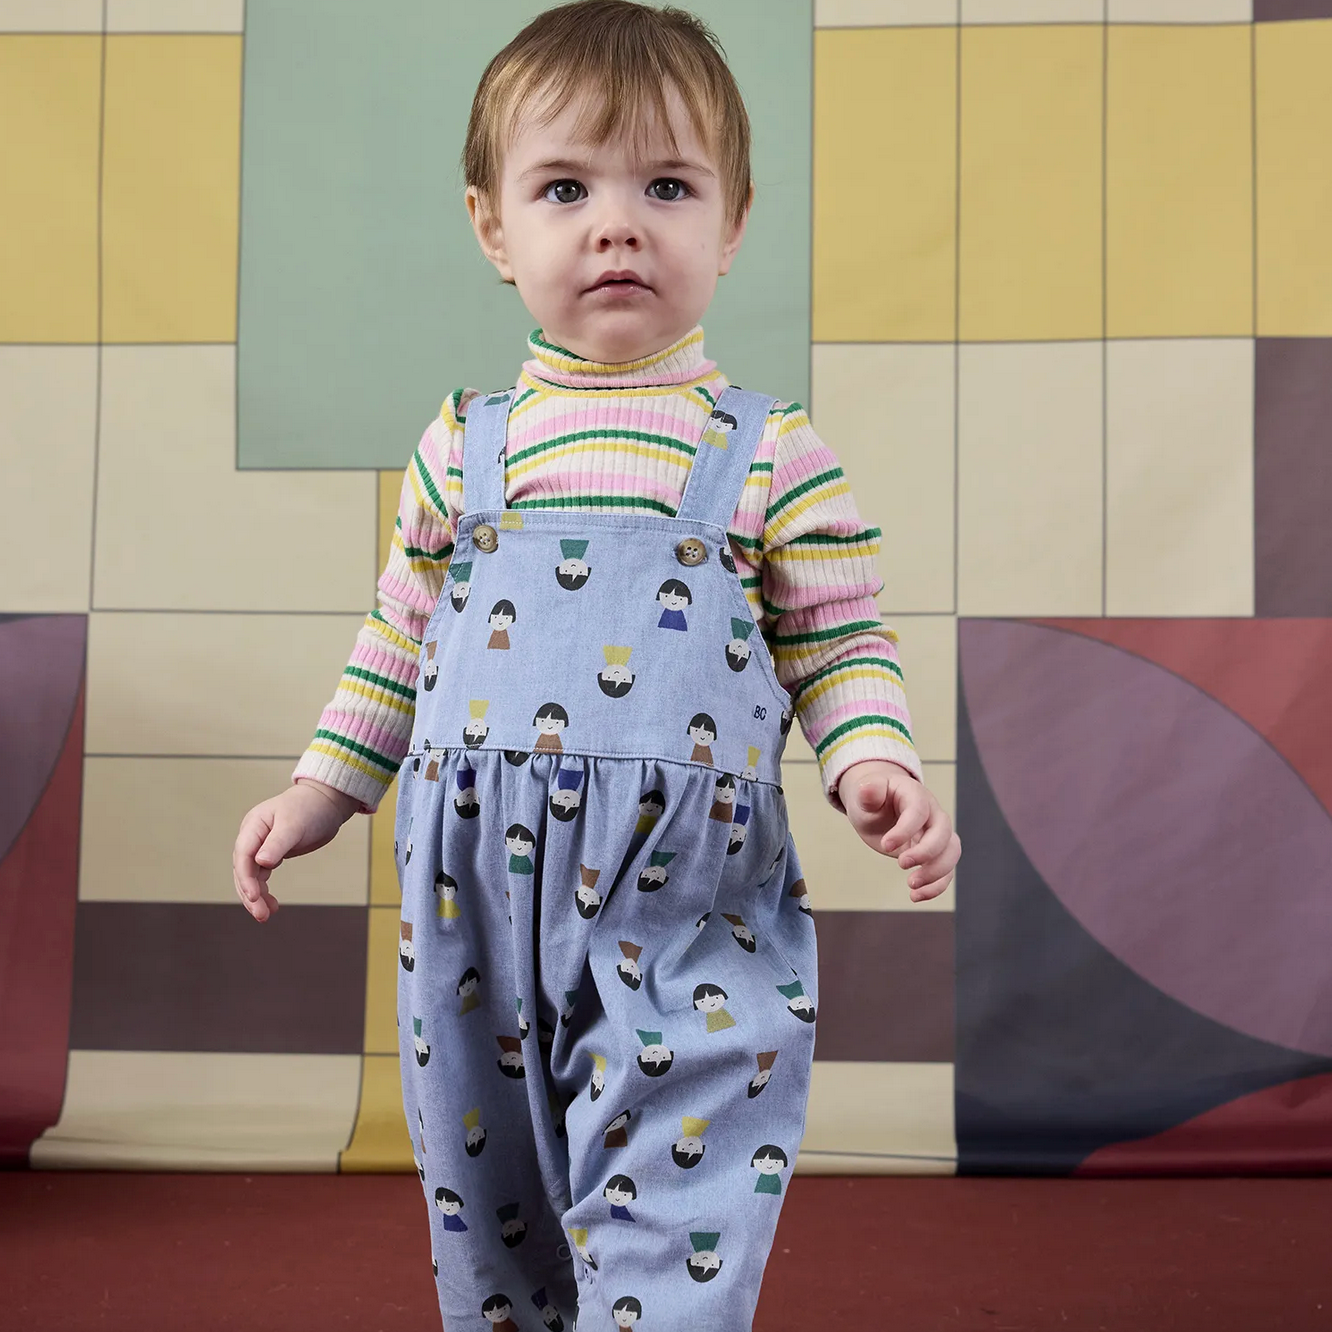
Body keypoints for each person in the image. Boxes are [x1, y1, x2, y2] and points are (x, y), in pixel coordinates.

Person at [230, 2, 960, 1328]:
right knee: (491, 1201)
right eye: (565, 187)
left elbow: (842, 638)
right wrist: (318, 791)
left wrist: (876, 762)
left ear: (731, 225)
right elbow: (401, 635)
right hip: (473, 912)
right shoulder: (465, 447)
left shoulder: (769, 454)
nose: (617, 223)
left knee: (682, 1185)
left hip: (684, 894)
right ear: (493, 227)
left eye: (666, 187)